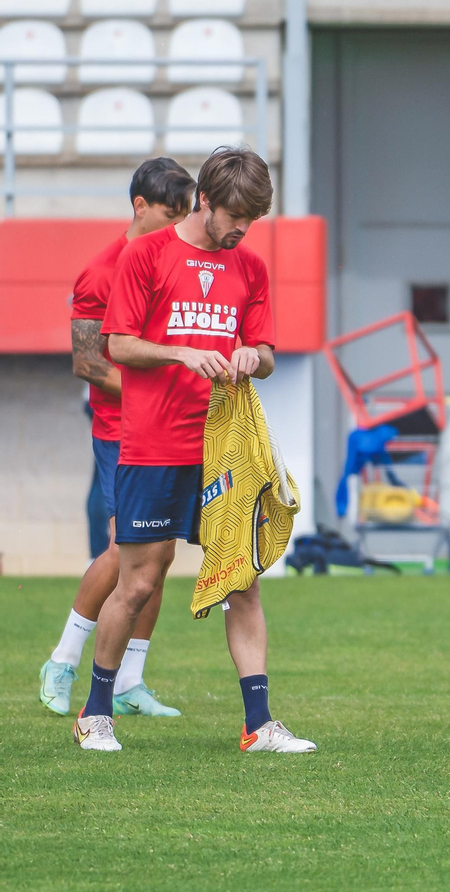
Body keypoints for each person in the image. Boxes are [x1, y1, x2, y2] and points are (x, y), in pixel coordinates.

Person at [73, 147, 315, 754]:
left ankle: (258, 725)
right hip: (154, 444)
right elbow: (118, 347)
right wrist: (181, 352)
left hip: (223, 450)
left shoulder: (250, 268)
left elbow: (266, 353)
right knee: (138, 584)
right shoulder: (145, 255)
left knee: (244, 581)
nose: (242, 228)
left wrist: (247, 357)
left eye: (252, 219)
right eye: (234, 214)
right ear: (203, 199)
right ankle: (95, 712)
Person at [40, 159, 195, 719]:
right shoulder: (101, 272)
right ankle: (62, 659)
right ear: (139, 206)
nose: (178, 225)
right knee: (123, 549)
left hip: (170, 432)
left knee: (161, 553)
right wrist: (152, 395)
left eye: (185, 215)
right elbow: (87, 363)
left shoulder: (176, 264)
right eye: (169, 214)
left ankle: (130, 678)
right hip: (120, 431)